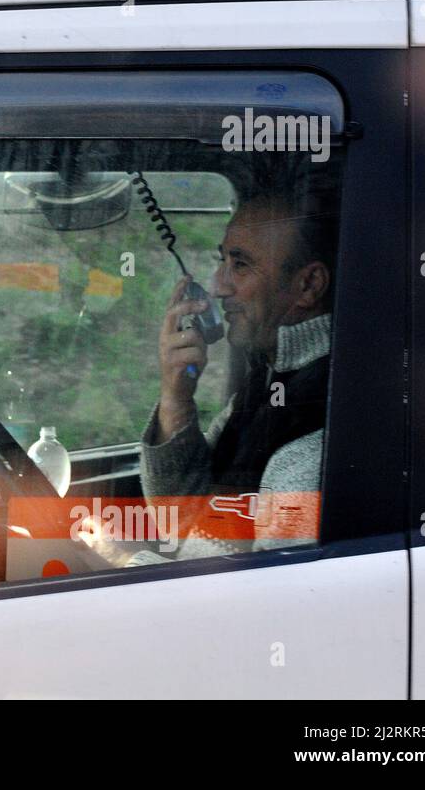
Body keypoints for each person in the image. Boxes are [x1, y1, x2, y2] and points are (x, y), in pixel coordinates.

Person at [83, 183, 338, 567]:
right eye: (222, 262)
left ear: (308, 285)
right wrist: (176, 398)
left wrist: (121, 559)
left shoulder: (313, 439)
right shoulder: (265, 387)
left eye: (241, 264)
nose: (218, 286)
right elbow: (186, 523)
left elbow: (256, 608)